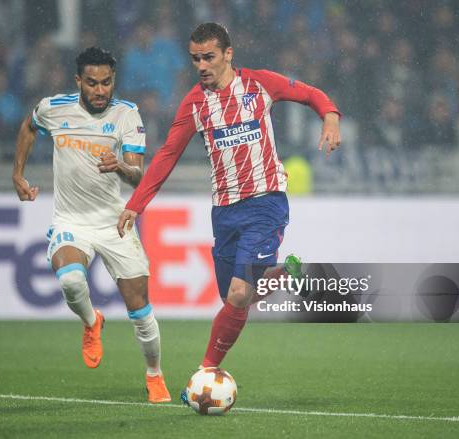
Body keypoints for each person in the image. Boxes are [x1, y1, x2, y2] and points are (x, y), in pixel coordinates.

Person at [118, 23, 341, 372]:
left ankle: (207, 371)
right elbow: (166, 156)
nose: (202, 65)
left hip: (265, 202)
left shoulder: (258, 83)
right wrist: (136, 205)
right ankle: (289, 274)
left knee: (238, 294)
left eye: (209, 57)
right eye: (196, 59)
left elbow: (312, 94)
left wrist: (330, 118)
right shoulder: (194, 103)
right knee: (235, 299)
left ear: (228, 54)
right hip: (223, 210)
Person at [12, 47, 171, 403]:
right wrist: (17, 173)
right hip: (71, 220)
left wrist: (122, 167)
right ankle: (91, 321)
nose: (101, 90)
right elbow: (28, 126)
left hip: (113, 221)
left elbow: (137, 176)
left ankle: (154, 374)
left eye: (107, 82)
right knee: (70, 279)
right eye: (93, 83)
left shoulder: (126, 114)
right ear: (78, 81)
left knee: (140, 308)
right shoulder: (53, 108)